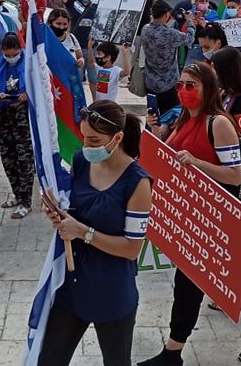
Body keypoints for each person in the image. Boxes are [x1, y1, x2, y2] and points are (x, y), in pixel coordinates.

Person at [140, 62, 241, 366]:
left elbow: (235, 177)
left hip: (216, 217)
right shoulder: (181, 120)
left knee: (192, 284)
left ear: (208, 89)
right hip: (192, 217)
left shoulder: (219, 124)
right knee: (226, 282)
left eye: (191, 86)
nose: (183, 91)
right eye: (180, 85)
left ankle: (172, 352)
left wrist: (196, 164)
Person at [39, 101, 152, 366]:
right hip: (72, 286)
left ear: (118, 138)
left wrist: (83, 232)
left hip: (111, 292)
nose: (87, 145)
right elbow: (75, 210)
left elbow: (132, 248)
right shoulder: (80, 160)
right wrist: (59, 214)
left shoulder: (138, 183)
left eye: (94, 140)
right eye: (84, 138)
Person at [0, 33, 33, 219]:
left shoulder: (31, 64)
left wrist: (29, 94)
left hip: (24, 117)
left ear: (21, 49)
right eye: (8, 55)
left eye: (15, 54)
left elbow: (44, 86)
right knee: (8, 158)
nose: (11, 58)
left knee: (25, 160)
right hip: (5, 115)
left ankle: (26, 201)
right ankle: (17, 194)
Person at [140, 0, 195, 115]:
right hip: (168, 83)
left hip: (150, 81)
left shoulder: (145, 29)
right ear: (166, 15)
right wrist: (190, 23)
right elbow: (189, 39)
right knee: (170, 116)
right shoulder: (169, 33)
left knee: (153, 114)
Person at [58, 0, 99, 99]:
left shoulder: (97, 6)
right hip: (76, 49)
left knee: (94, 80)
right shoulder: (73, 3)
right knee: (76, 80)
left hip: (92, 49)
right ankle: (79, 103)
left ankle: (95, 103)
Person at [183, 0, 219, 66]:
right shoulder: (189, 13)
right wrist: (190, 23)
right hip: (195, 47)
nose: (205, 3)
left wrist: (206, 25)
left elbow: (218, 31)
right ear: (195, 2)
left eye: (207, 1)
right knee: (191, 71)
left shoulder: (213, 13)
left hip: (211, 47)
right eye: (201, 1)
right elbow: (184, 33)